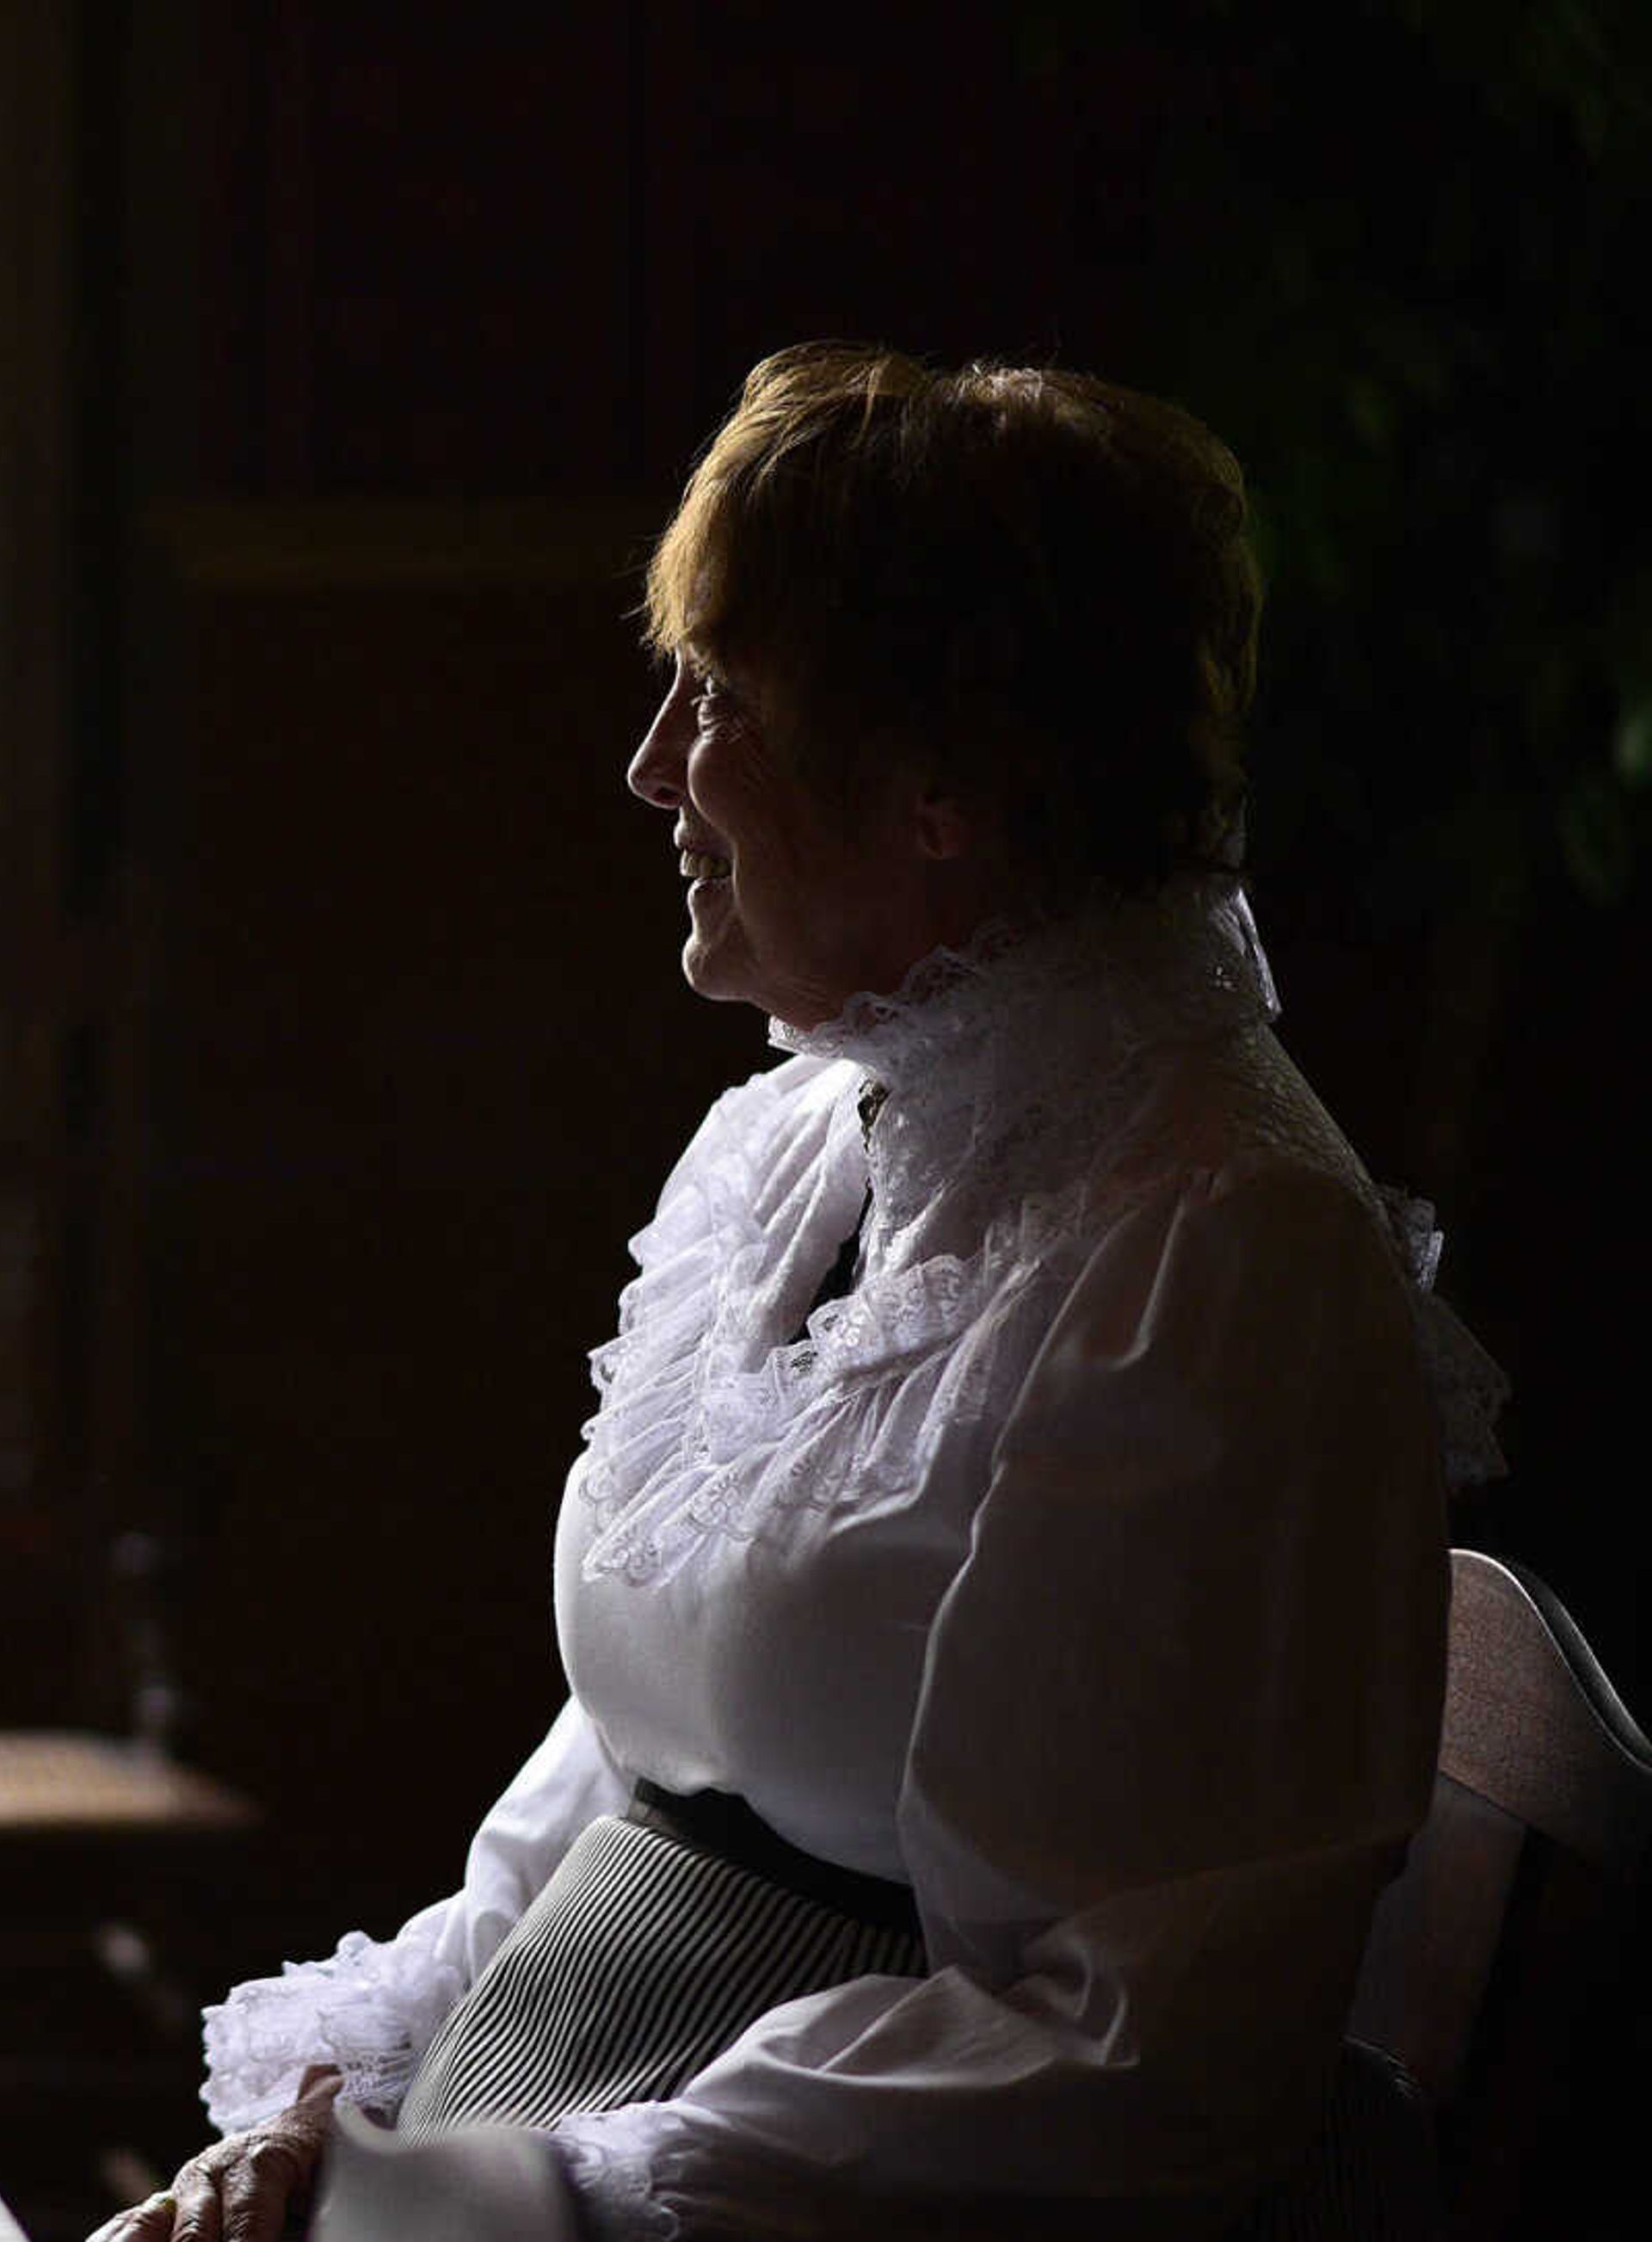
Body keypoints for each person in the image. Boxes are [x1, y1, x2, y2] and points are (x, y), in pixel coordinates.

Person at [94, 342, 1505, 2241]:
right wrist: (356, 2107)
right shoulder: (807, 1139)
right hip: (577, 2119)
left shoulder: (1217, 1254)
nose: (651, 765)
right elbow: (635, 1758)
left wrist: (537, 2196)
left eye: (721, 699)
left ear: (942, 787)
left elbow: (1142, 2052)